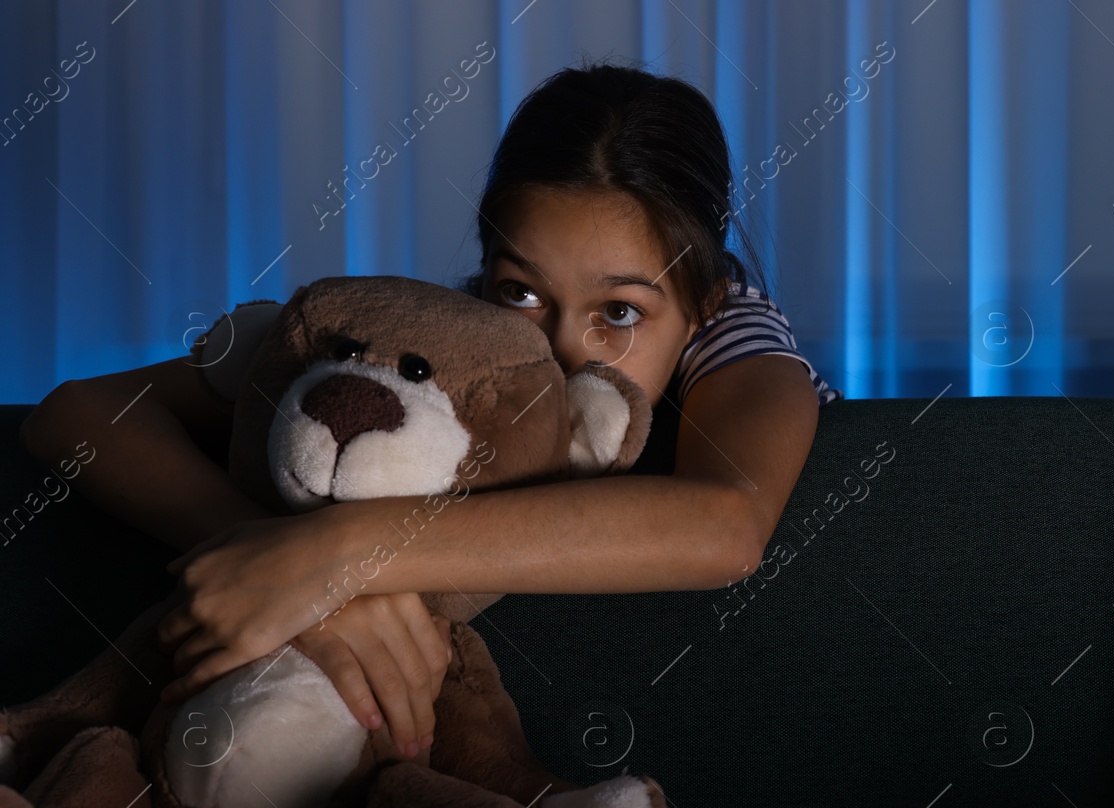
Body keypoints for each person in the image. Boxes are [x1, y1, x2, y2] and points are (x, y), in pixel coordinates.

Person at [18, 61, 839, 765]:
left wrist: (345, 552)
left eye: (619, 313)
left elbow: (726, 526)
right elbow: (75, 413)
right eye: (519, 291)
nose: (560, 350)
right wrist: (275, 561)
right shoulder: (454, 342)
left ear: (702, 302)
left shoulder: (735, 333)